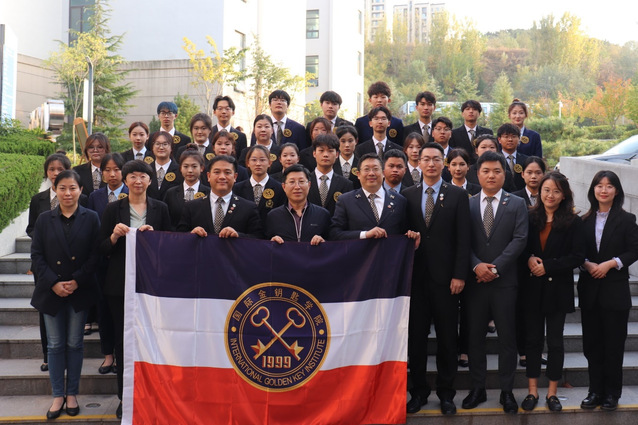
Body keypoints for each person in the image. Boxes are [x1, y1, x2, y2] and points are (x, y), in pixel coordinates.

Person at [99, 160, 171, 419]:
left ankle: (153, 394)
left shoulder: (160, 208)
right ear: (125, 180)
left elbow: (171, 246)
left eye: (143, 176)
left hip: (152, 286)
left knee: (154, 341)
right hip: (119, 286)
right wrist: (114, 236)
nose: (138, 181)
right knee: (123, 343)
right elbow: (100, 249)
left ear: (150, 181)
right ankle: (125, 397)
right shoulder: (113, 209)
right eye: (132, 176)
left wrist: (154, 238)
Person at [404, 142, 470, 415]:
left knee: (447, 339)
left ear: (444, 163)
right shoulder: (407, 195)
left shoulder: (457, 195)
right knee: (416, 340)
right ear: (418, 163)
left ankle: (446, 393)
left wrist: (459, 275)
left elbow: (464, 239)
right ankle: (418, 392)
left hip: (447, 280)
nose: (431, 164)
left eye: (436, 159)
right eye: (426, 159)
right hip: (416, 280)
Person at [30, 170, 101, 419]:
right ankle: (58, 395)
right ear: (55, 189)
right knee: (55, 345)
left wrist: (77, 280)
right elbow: (36, 255)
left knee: (74, 343)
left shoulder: (91, 218)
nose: (67, 193)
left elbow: (95, 254)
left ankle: (72, 394)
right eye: (62, 188)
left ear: (81, 190)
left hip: (79, 289)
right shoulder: (44, 219)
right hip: (51, 291)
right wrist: (53, 282)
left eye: (72, 188)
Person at [462, 151, 528, 414]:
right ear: (477, 174)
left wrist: (496, 267)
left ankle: (507, 391)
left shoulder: (517, 203)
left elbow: (520, 239)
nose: (491, 175)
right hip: (475, 282)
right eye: (486, 171)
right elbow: (461, 241)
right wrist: (476, 265)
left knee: (507, 339)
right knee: (475, 337)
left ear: (505, 174)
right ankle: (477, 388)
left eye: (497, 171)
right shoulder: (466, 203)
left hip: (505, 283)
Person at [520, 172, 584, 412]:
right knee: (532, 341)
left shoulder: (573, 221)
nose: (550, 195)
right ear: (540, 192)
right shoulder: (529, 216)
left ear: (564, 195)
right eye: (546, 190)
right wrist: (529, 259)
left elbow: (578, 256)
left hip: (557, 290)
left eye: (556, 191)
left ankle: (552, 392)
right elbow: (520, 247)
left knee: (555, 342)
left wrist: (548, 266)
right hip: (532, 290)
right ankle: (532, 391)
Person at [578, 170, 638, 411]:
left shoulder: (627, 219)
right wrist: (587, 264)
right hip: (590, 291)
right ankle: (594, 391)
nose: (604, 190)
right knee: (592, 345)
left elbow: (634, 250)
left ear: (617, 191)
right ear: (593, 189)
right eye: (599, 185)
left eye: (609, 186)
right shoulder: (583, 220)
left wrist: (611, 263)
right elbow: (577, 251)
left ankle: (612, 393)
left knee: (613, 345)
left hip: (615, 292)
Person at [26, 153, 73, 373]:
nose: (55, 173)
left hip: (70, 263)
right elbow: (31, 228)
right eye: (52, 169)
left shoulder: (77, 196)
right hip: (44, 263)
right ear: (46, 172)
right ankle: (48, 354)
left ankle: (68, 354)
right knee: (45, 308)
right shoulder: (38, 199)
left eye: (60, 169)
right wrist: (44, 238)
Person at [86, 153, 127, 376]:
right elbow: (93, 229)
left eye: (117, 169)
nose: (112, 174)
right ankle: (108, 355)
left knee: (124, 313)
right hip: (102, 261)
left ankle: (123, 355)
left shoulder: (132, 192)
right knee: (104, 311)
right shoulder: (95, 196)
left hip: (125, 262)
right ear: (101, 173)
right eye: (107, 170)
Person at [330, 153, 417, 242]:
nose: (371, 173)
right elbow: (335, 233)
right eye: (366, 169)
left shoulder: (400, 201)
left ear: (383, 173)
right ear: (358, 174)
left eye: (375, 169)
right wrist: (365, 234)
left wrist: (411, 236)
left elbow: (405, 231)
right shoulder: (346, 201)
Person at [177, 155, 263, 239]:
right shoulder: (192, 207)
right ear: (208, 176)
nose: (222, 177)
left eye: (227, 173)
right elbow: (179, 237)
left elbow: (258, 239)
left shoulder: (248, 208)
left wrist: (238, 236)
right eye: (217, 172)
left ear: (235, 177)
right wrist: (191, 235)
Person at [266, 164, 331, 244]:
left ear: (309, 185)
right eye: (292, 182)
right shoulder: (273, 216)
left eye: (301, 181)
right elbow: (265, 245)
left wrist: (324, 242)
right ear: (283, 187)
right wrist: (271, 243)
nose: (297, 187)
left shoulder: (322, 214)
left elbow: (333, 244)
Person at [234, 145, 287, 227]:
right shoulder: (237, 188)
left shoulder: (279, 188)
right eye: (254, 160)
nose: (258, 164)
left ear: (269, 163)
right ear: (248, 163)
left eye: (262, 160)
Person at [162, 145, 211, 230]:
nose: (190, 170)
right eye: (186, 166)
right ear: (180, 168)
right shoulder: (171, 193)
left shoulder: (209, 193)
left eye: (194, 166)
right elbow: (165, 220)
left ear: (202, 168)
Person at [306, 133, 354, 216]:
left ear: (337, 154)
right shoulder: (305, 181)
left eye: (330, 151)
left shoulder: (346, 184)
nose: (325, 155)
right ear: (314, 153)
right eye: (321, 150)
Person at [146, 131, 183, 200]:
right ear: (152, 147)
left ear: (171, 147)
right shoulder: (146, 170)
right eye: (157, 144)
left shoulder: (180, 170)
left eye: (165, 144)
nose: (161, 147)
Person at [73, 132, 110, 197]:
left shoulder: (114, 170)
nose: (95, 150)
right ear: (86, 150)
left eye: (100, 147)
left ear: (106, 149)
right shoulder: (77, 171)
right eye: (91, 147)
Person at [498, 123, 528, 191]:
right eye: (506, 137)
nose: (510, 139)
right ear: (499, 139)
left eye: (514, 136)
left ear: (519, 139)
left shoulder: (526, 160)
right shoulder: (495, 160)